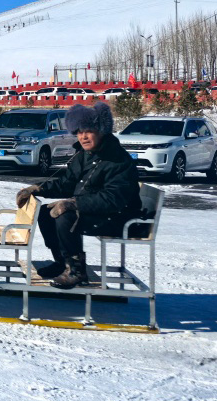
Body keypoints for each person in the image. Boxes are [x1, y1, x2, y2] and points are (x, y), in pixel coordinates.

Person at [15, 102, 141, 289]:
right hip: (98, 212)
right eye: (79, 131)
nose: (83, 136)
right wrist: (37, 189)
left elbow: (113, 199)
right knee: (45, 212)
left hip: (118, 217)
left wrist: (75, 204)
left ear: (102, 130)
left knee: (66, 216)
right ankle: (62, 263)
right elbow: (67, 182)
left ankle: (77, 271)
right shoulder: (85, 155)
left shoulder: (117, 159)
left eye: (88, 131)